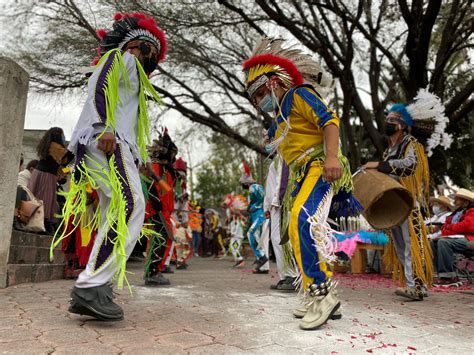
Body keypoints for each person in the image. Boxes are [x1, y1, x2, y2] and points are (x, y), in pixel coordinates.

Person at [52, 12, 167, 321]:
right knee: (130, 205)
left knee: (114, 209)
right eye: (147, 50)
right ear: (133, 45)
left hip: (114, 144)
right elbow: (100, 88)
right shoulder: (121, 59)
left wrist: (135, 158)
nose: (150, 59)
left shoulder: (134, 75)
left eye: (154, 56)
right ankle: (92, 285)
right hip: (106, 141)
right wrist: (103, 127)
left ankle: (95, 285)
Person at [242, 37, 359, 330]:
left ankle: (320, 295)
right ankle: (320, 293)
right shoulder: (282, 114)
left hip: (320, 166)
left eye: (258, 94)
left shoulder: (298, 95)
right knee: (297, 229)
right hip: (301, 174)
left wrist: (332, 157)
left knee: (302, 220)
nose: (258, 102)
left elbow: (330, 121)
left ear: (273, 82)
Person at [364, 90, 452, 300]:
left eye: (392, 120)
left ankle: (417, 286)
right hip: (393, 204)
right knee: (400, 245)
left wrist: (380, 165)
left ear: (402, 125)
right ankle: (415, 285)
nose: (388, 122)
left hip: (409, 203)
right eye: (387, 119)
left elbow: (410, 166)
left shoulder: (411, 144)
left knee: (412, 245)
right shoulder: (388, 151)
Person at [28, 127, 73, 234]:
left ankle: (43, 225)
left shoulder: (50, 145)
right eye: (62, 135)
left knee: (42, 199)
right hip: (46, 175)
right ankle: (43, 225)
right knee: (45, 200)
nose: (64, 138)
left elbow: (63, 165)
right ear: (57, 135)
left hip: (44, 174)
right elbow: (67, 158)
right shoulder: (55, 146)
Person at [264, 154, 298, 291]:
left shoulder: (285, 156)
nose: (265, 139)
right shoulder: (277, 159)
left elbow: (283, 180)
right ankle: (285, 276)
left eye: (267, 135)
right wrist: (266, 205)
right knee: (276, 238)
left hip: (281, 203)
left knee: (283, 239)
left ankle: (292, 276)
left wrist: (280, 199)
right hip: (275, 204)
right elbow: (271, 184)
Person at [431, 188, 474, 285]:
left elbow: (467, 226)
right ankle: (442, 274)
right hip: (456, 237)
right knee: (433, 242)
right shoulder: (456, 213)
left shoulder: (472, 211)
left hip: (469, 239)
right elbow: (444, 229)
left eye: (457, 199)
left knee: (443, 242)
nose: (454, 201)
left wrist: (450, 227)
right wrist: (450, 228)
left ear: (466, 202)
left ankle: (448, 277)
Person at [239, 161, 269, 274]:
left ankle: (261, 257)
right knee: (259, 239)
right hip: (259, 215)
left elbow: (263, 199)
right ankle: (263, 266)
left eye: (242, 183)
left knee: (251, 234)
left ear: (245, 183)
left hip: (261, 215)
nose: (242, 186)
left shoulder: (254, 187)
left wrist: (252, 208)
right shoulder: (254, 188)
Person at [14, 160, 39, 231]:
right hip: (20, 198)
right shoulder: (23, 175)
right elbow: (22, 187)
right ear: (31, 169)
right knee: (20, 191)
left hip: (25, 200)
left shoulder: (33, 179)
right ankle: (15, 220)